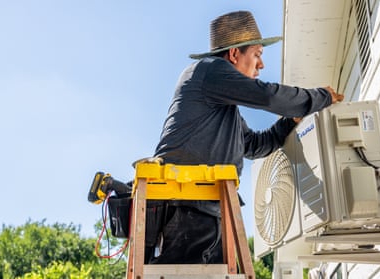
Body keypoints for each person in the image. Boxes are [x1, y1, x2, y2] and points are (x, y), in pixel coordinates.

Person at [145, 10, 344, 265]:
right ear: (234, 54)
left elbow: (253, 145)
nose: (261, 64)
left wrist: (289, 122)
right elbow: (269, 97)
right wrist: (321, 97)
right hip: (186, 201)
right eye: (257, 55)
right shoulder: (210, 70)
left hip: (207, 205)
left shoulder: (223, 105)